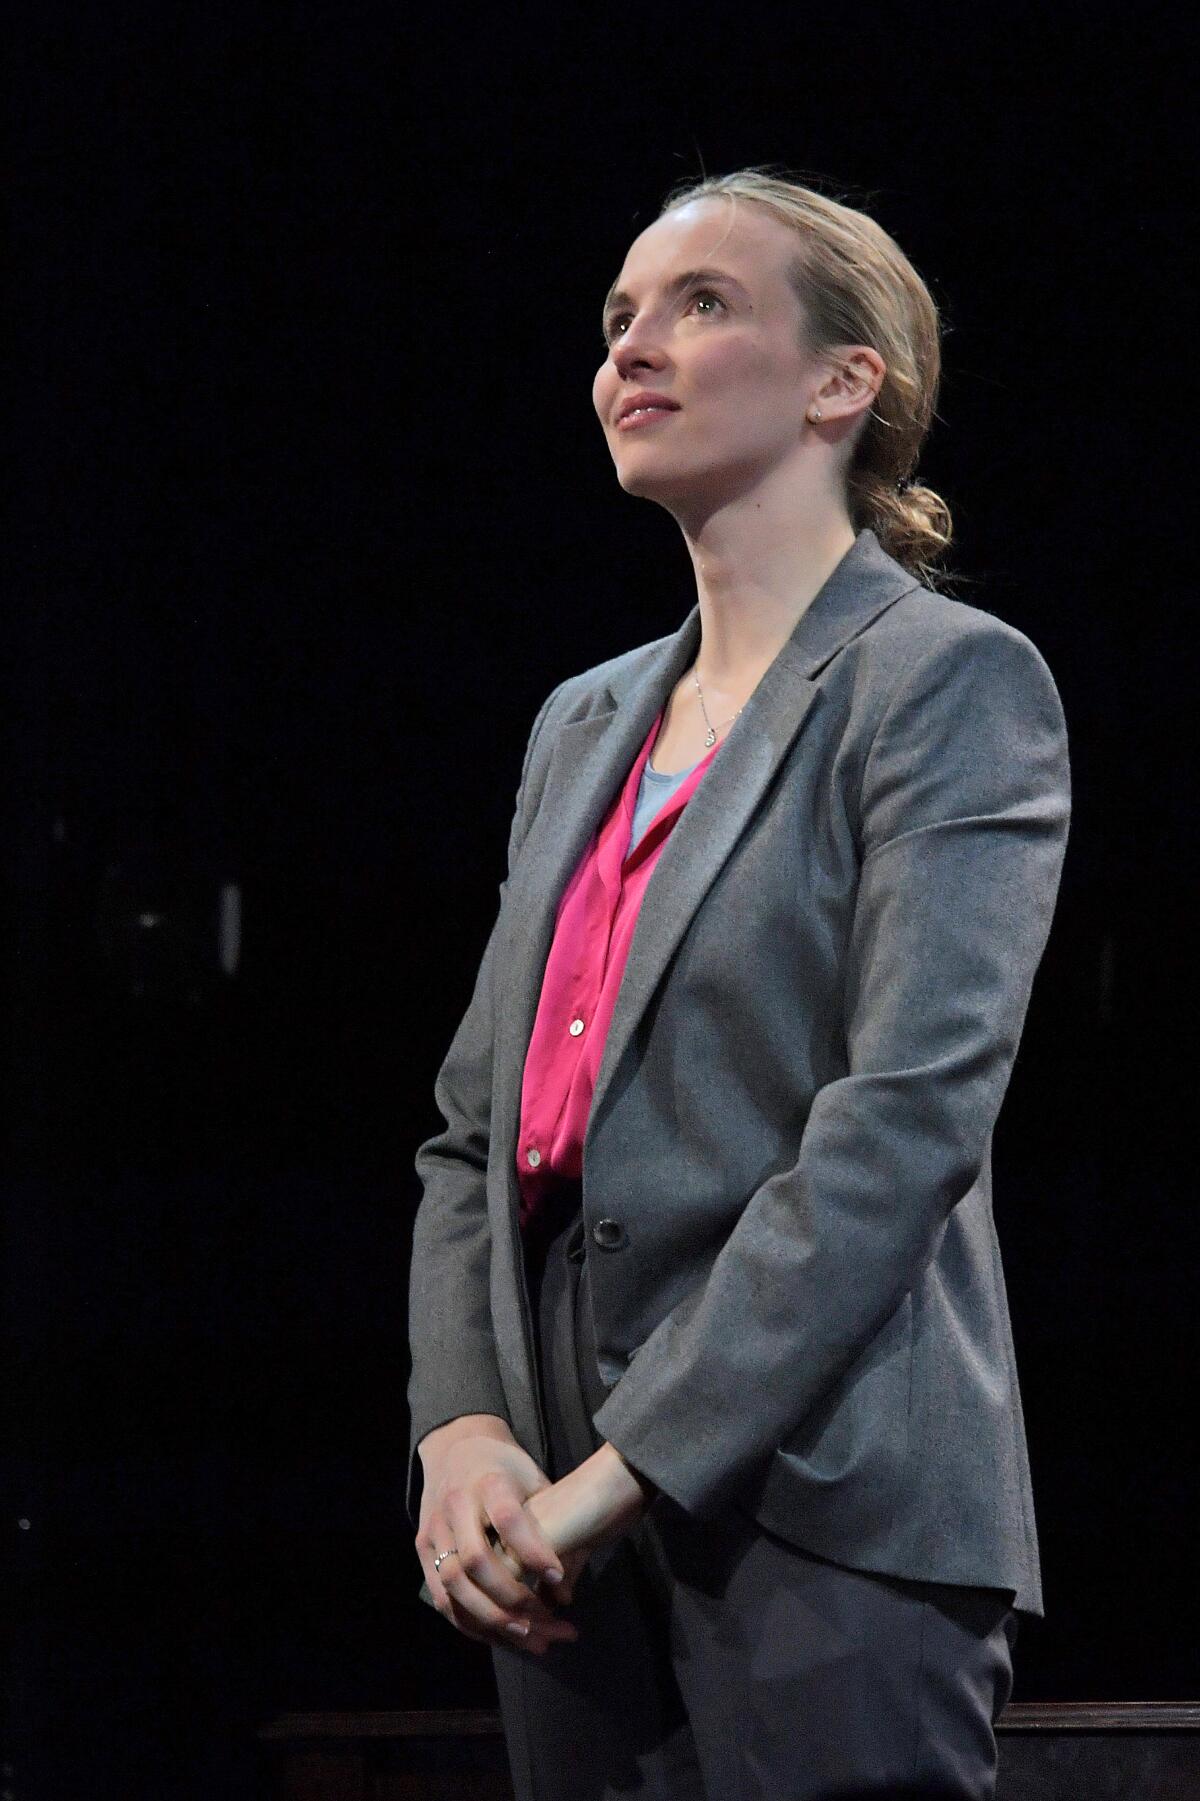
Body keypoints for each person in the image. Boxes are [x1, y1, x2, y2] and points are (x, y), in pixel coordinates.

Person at [406, 167, 1071, 1800]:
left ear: (849, 382)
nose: (634, 345)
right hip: (562, 1537)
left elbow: (901, 1125)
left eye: (701, 305)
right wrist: (466, 1434)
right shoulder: (583, 720)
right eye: (620, 316)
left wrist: (625, 1471)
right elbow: (471, 1139)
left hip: (826, 1509)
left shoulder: (944, 682)